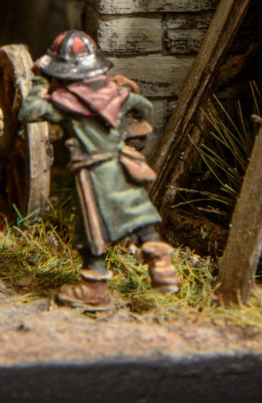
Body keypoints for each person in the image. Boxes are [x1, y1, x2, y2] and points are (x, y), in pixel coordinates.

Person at [19, 30, 179, 309]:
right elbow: (143, 107)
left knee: (89, 228)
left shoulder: (65, 104)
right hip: (122, 164)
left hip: (93, 172)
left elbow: (29, 111)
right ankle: (161, 263)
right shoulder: (118, 92)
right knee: (138, 213)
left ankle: (94, 287)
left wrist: (39, 80)